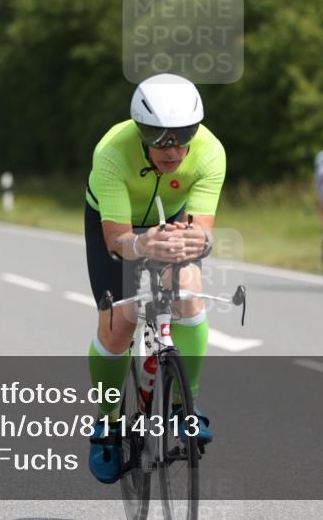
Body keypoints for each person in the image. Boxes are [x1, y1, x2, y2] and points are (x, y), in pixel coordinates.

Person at [85, 73, 226, 484]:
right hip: (115, 225)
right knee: (119, 321)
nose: (173, 150)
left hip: (170, 217)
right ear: (140, 130)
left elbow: (202, 230)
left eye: (183, 137)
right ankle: (108, 421)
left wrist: (195, 241)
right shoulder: (112, 151)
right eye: (160, 138)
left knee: (189, 296)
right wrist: (144, 247)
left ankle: (187, 405)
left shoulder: (210, 152)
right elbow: (116, 241)